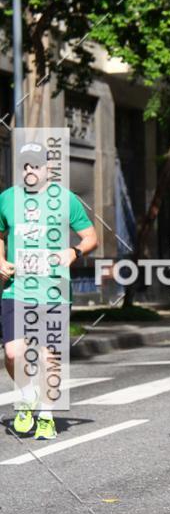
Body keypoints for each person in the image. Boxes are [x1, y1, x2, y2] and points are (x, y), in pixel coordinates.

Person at [0, 141, 97, 440]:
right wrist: (1, 260)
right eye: (25, 165)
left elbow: (91, 236)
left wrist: (74, 252)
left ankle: (45, 415)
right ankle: (27, 395)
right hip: (16, 288)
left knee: (47, 355)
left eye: (36, 165)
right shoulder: (7, 199)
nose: (31, 170)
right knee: (13, 351)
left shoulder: (66, 200)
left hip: (54, 290)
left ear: (48, 168)